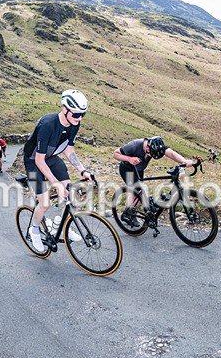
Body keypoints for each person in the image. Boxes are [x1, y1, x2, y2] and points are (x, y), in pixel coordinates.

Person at [24, 89, 95, 250]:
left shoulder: (74, 124)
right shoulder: (47, 124)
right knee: (45, 203)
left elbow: (69, 150)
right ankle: (34, 229)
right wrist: (55, 183)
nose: (80, 118)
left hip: (51, 157)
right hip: (34, 160)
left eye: (83, 114)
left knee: (68, 193)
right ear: (65, 109)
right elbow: (39, 160)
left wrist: (83, 171)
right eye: (76, 114)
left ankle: (62, 225)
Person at [112, 136, 193, 226]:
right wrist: (129, 159)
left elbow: (172, 154)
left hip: (138, 169)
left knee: (140, 194)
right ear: (147, 147)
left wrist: (185, 161)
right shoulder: (135, 145)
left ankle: (133, 211)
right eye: (150, 154)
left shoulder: (157, 146)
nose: (149, 156)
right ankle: (126, 214)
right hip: (127, 169)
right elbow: (115, 154)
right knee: (137, 191)